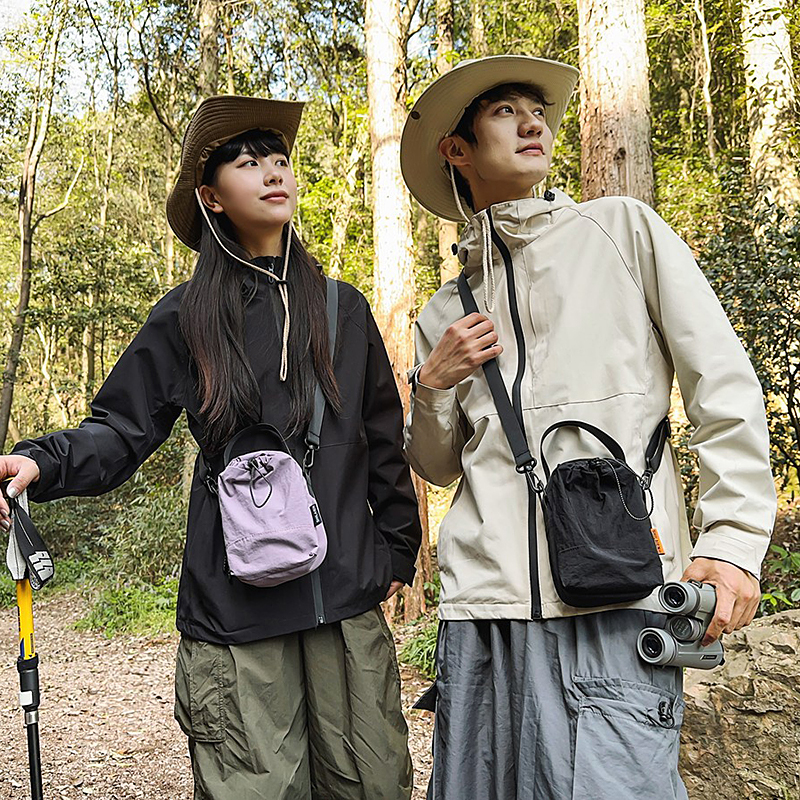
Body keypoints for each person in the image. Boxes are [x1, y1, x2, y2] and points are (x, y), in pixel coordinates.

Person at [0, 95, 421, 799]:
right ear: (211, 196)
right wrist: (42, 461)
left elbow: (383, 442)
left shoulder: (344, 309)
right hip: (237, 617)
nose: (273, 173)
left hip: (344, 607)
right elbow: (121, 430)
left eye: (280, 160)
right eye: (248, 163)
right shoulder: (185, 317)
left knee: (372, 786)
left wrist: (395, 553)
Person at [400, 55, 776, 799]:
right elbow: (438, 467)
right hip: (485, 612)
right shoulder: (445, 310)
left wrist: (733, 540)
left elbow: (722, 383)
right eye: (505, 111)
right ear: (457, 149)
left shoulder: (621, 231)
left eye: (536, 110)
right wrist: (432, 386)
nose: (533, 121)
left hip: (618, 590)